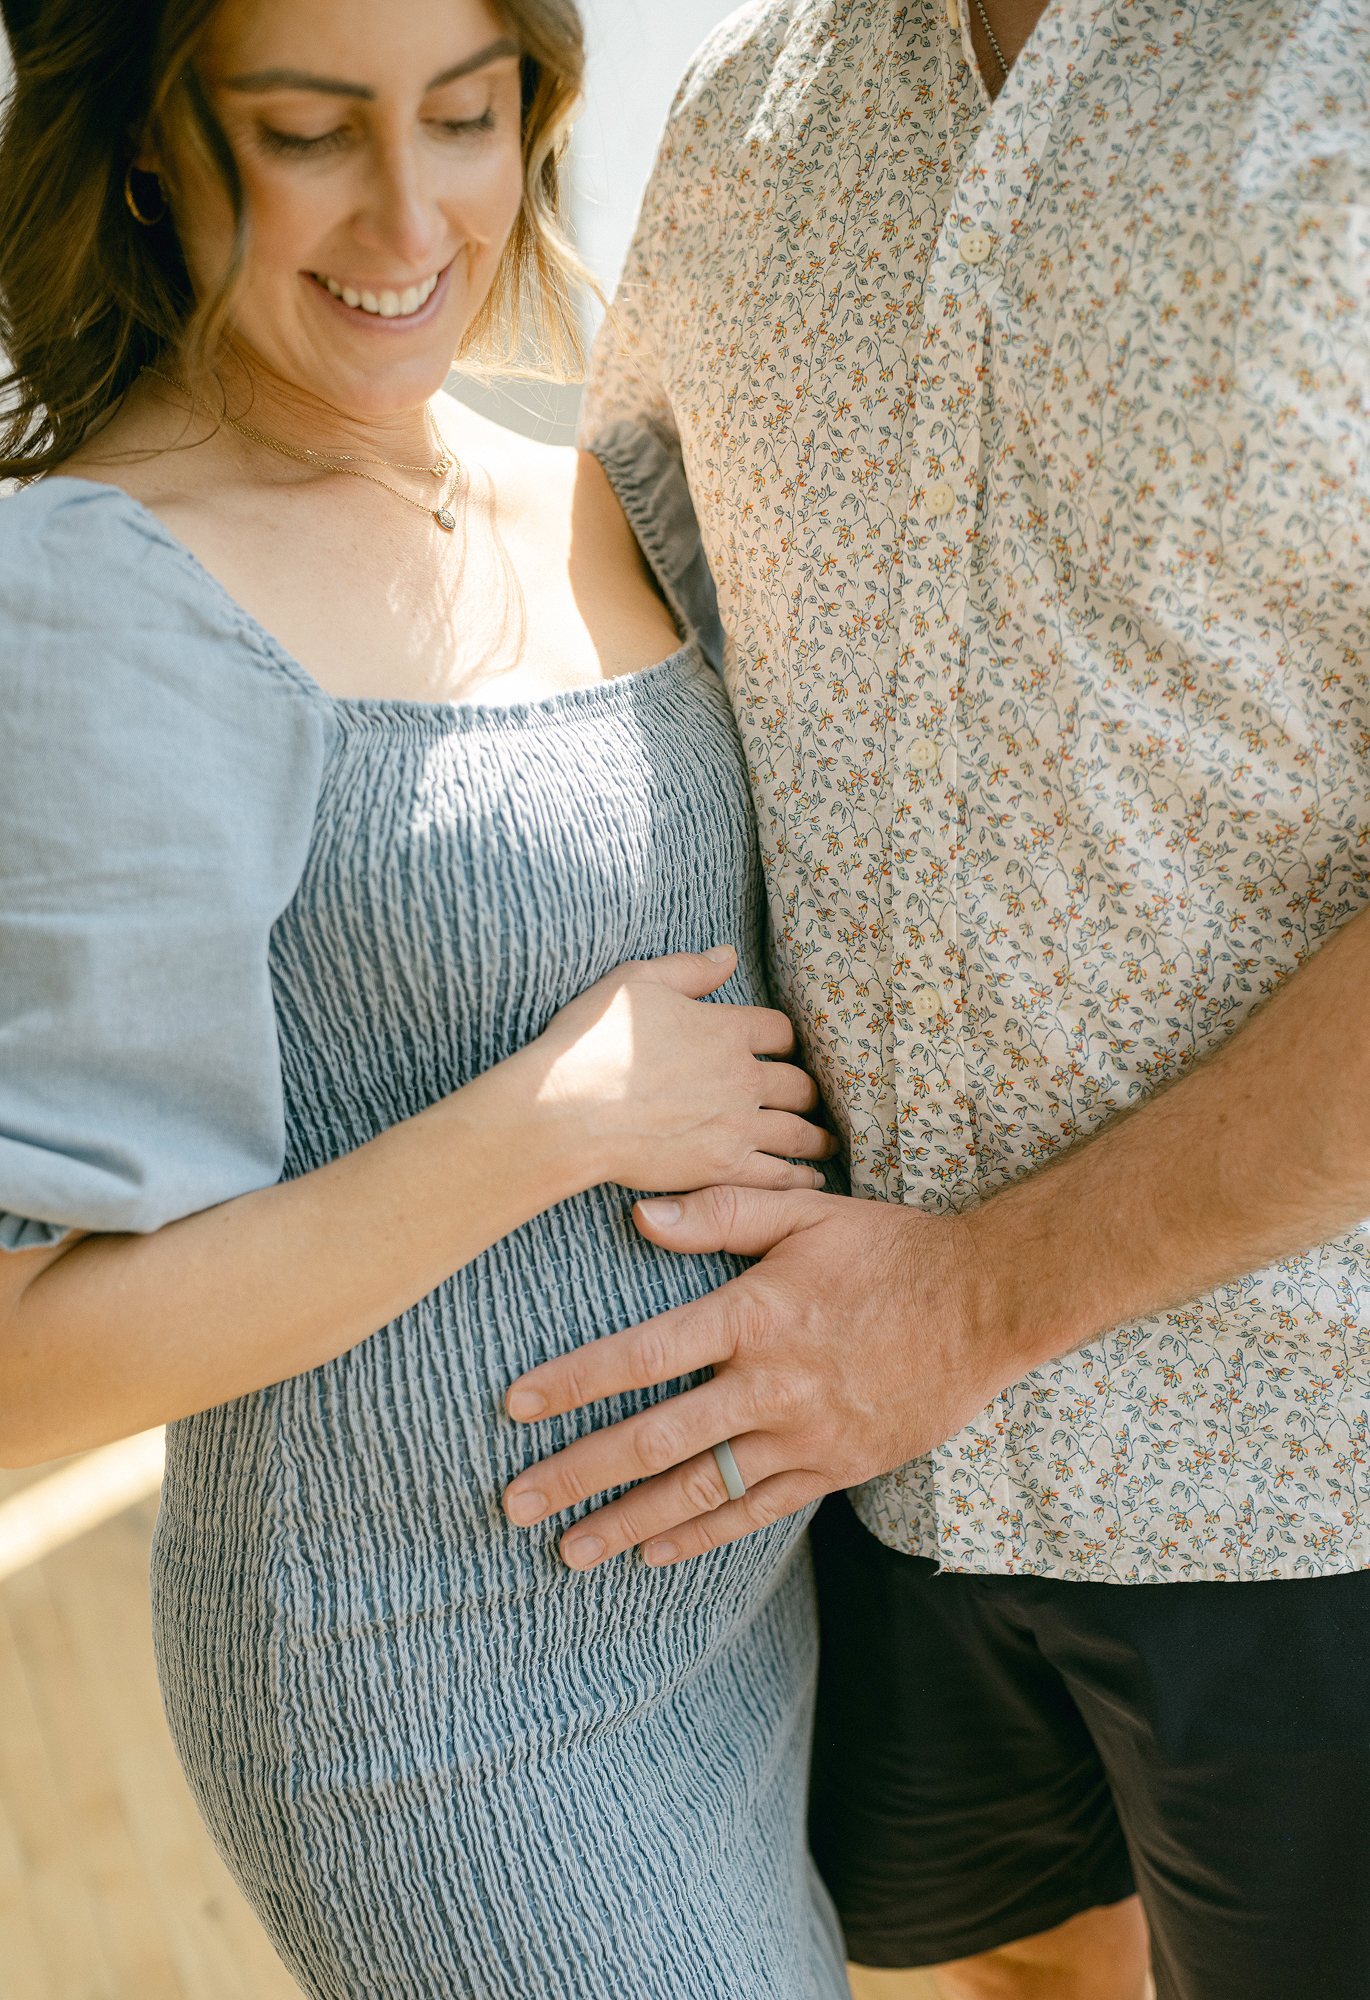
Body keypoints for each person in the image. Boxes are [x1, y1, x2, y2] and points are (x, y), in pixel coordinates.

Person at [499, 2, 1370, 1997]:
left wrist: (962, 1304)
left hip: (1322, 1457)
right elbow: (617, 675)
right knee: (1020, 1980)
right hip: (864, 1462)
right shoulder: (739, 126)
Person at [0, 1, 848, 1995]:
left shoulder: (580, 482)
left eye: (466, 116)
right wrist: (547, 1122)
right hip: (442, 1705)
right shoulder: (115, 591)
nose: (411, 211)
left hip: (745, 1636)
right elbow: (26, 1372)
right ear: (146, 146)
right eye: (307, 132)